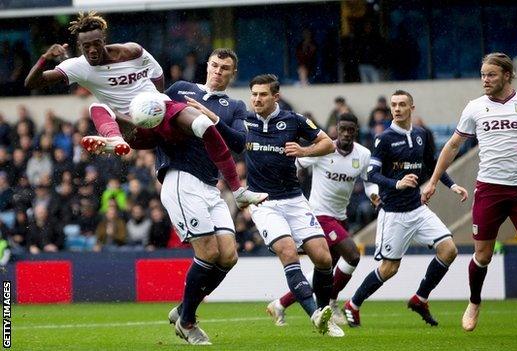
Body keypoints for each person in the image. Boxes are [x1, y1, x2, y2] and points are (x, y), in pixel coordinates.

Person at [22, 12, 264, 210]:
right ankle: (113, 139)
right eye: (86, 47)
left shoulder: (132, 51)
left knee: (204, 125)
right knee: (97, 106)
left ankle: (239, 191)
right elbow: (31, 84)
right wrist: (45, 58)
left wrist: (156, 101)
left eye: (96, 44)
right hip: (133, 127)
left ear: (103, 40)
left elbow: (157, 73)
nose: (92, 51)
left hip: (160, 111)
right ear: (80, 47)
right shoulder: (77, 67)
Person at [422, 52, 517, 338]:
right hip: (489, 189)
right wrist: (434, 180)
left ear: (508, 75)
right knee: (482, 255)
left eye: (491, 75)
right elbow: (452, 146)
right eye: (483, 74)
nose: (485, 80)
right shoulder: (475, 108)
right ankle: (474, 302)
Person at [159, 48, 263, 345]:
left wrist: (212, 118)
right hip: (181, 177)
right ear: (208, 66)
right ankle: (188, 322)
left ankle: (183, 308)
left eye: (225, 68)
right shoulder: (181, 90)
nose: (218, 71)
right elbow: (154, 115)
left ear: (233, 74)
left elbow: (241, 143)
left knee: (228, 256)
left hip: (210, 186)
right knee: (207, 253)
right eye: (215, 65)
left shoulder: (235, 106)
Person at [342, 90, 468, 328]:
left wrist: (452, 185)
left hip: (417, 209)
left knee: (449, 249)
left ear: (412, 107)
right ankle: (353, 304)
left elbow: (432, 165)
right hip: (394, 214)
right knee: (390, 269)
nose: (397, 108)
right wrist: (396, 183)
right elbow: (371, 174)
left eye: (402, 104)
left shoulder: (421, 134)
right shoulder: (385, 138)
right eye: (393, 105)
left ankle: (420, 298)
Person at [244, 74, 342, 337]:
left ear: (276, 97)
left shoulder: (294, 120)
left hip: (295, 199)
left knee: (323, 258)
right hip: (263, 201)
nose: (256, 99)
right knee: (288, 252)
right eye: (253, 93)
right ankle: (314, 314)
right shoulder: (244, 119)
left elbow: (328, 144)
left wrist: (304, 151)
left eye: (262, 94)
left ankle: (324, 313)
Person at [266, 113, 380, 326]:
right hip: (319, 215)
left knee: (324, 271)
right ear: (336, 129)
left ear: (356, 131)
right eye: (342, 129)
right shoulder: (323, 150)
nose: (346, 133)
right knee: (353, 256)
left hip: (340, 217)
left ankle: (280, 304)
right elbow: (297, 163)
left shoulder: (363, 155)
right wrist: (286, 184)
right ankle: (331, 303)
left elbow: (368, 181)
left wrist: (374, 195)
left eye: (350, 129)